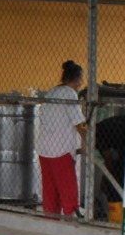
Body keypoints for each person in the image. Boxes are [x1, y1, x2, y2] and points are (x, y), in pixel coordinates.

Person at [37, 59, 88, 218]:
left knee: (50, 189)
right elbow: (79, 123)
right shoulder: (69, 93)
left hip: (44, 149)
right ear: (77, 79)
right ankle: (70, 217)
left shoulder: (51, 92)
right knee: (67, 188)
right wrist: (87, 141)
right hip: (61, 150)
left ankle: (51, 217)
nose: (81, 84)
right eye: (81, 80)